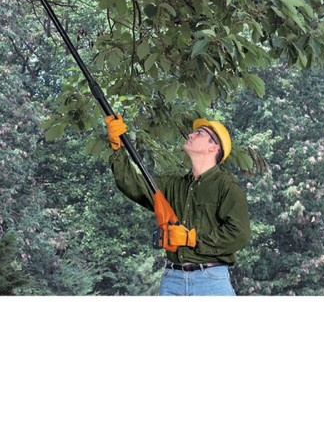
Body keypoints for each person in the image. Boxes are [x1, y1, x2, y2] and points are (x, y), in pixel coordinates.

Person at [105, 114, 250, 296]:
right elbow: (132, 183)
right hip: (172, 279)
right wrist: (117, 148)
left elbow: (239, 233)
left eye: (199, 133)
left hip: (211, 280)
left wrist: (192, 239)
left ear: (213, 147)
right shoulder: (172, 185)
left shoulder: (226, 186)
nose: (190, 135)